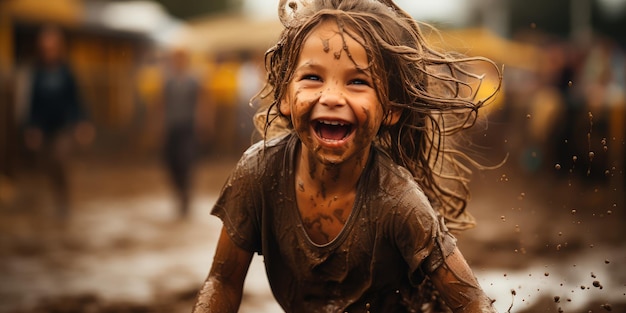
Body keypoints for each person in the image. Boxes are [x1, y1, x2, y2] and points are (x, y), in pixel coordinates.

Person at [193, 0, 501, 312]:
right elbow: (223, 281)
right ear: (285, 96)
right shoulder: (258, 173)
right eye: (313, 77)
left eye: (358, 82)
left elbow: (472, 300)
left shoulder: (399, 201)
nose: (331, 97)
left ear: (391, 108)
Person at [24, 25, 91, 219]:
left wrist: (82, 122)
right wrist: (32, 127)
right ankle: (58, 198)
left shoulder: (66, 71)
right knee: (48, 166)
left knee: (59, 159)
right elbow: (33, 102)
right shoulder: (37, 72)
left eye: (52, 45)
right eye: (46, 45)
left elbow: (77, 99)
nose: (49, 49)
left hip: (65, 126)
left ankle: (64, 202)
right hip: (45, 128)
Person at [162, 49, 201, 217]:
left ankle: (186, 195)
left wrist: (203, 122)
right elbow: (160, 104)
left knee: (185, 160)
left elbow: (202, 102)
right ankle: (179, 192)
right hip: (172, 127)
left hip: (188, 126)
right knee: (171, 163)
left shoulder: (193, 81)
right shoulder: (168, 82)